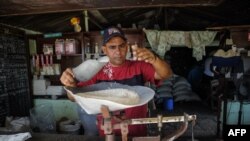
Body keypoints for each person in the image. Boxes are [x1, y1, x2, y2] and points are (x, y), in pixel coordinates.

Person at [60, 26, 173, 137]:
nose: (118, 51)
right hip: (107, 133)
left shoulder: (139, 67)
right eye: (112, 47)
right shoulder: (96, 71)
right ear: (104, 50)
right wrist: (71, 85)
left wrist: (154, 59)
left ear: (127, 47)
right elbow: (73, 98)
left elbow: (166, 74)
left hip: (136, 131)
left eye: (121, 46)